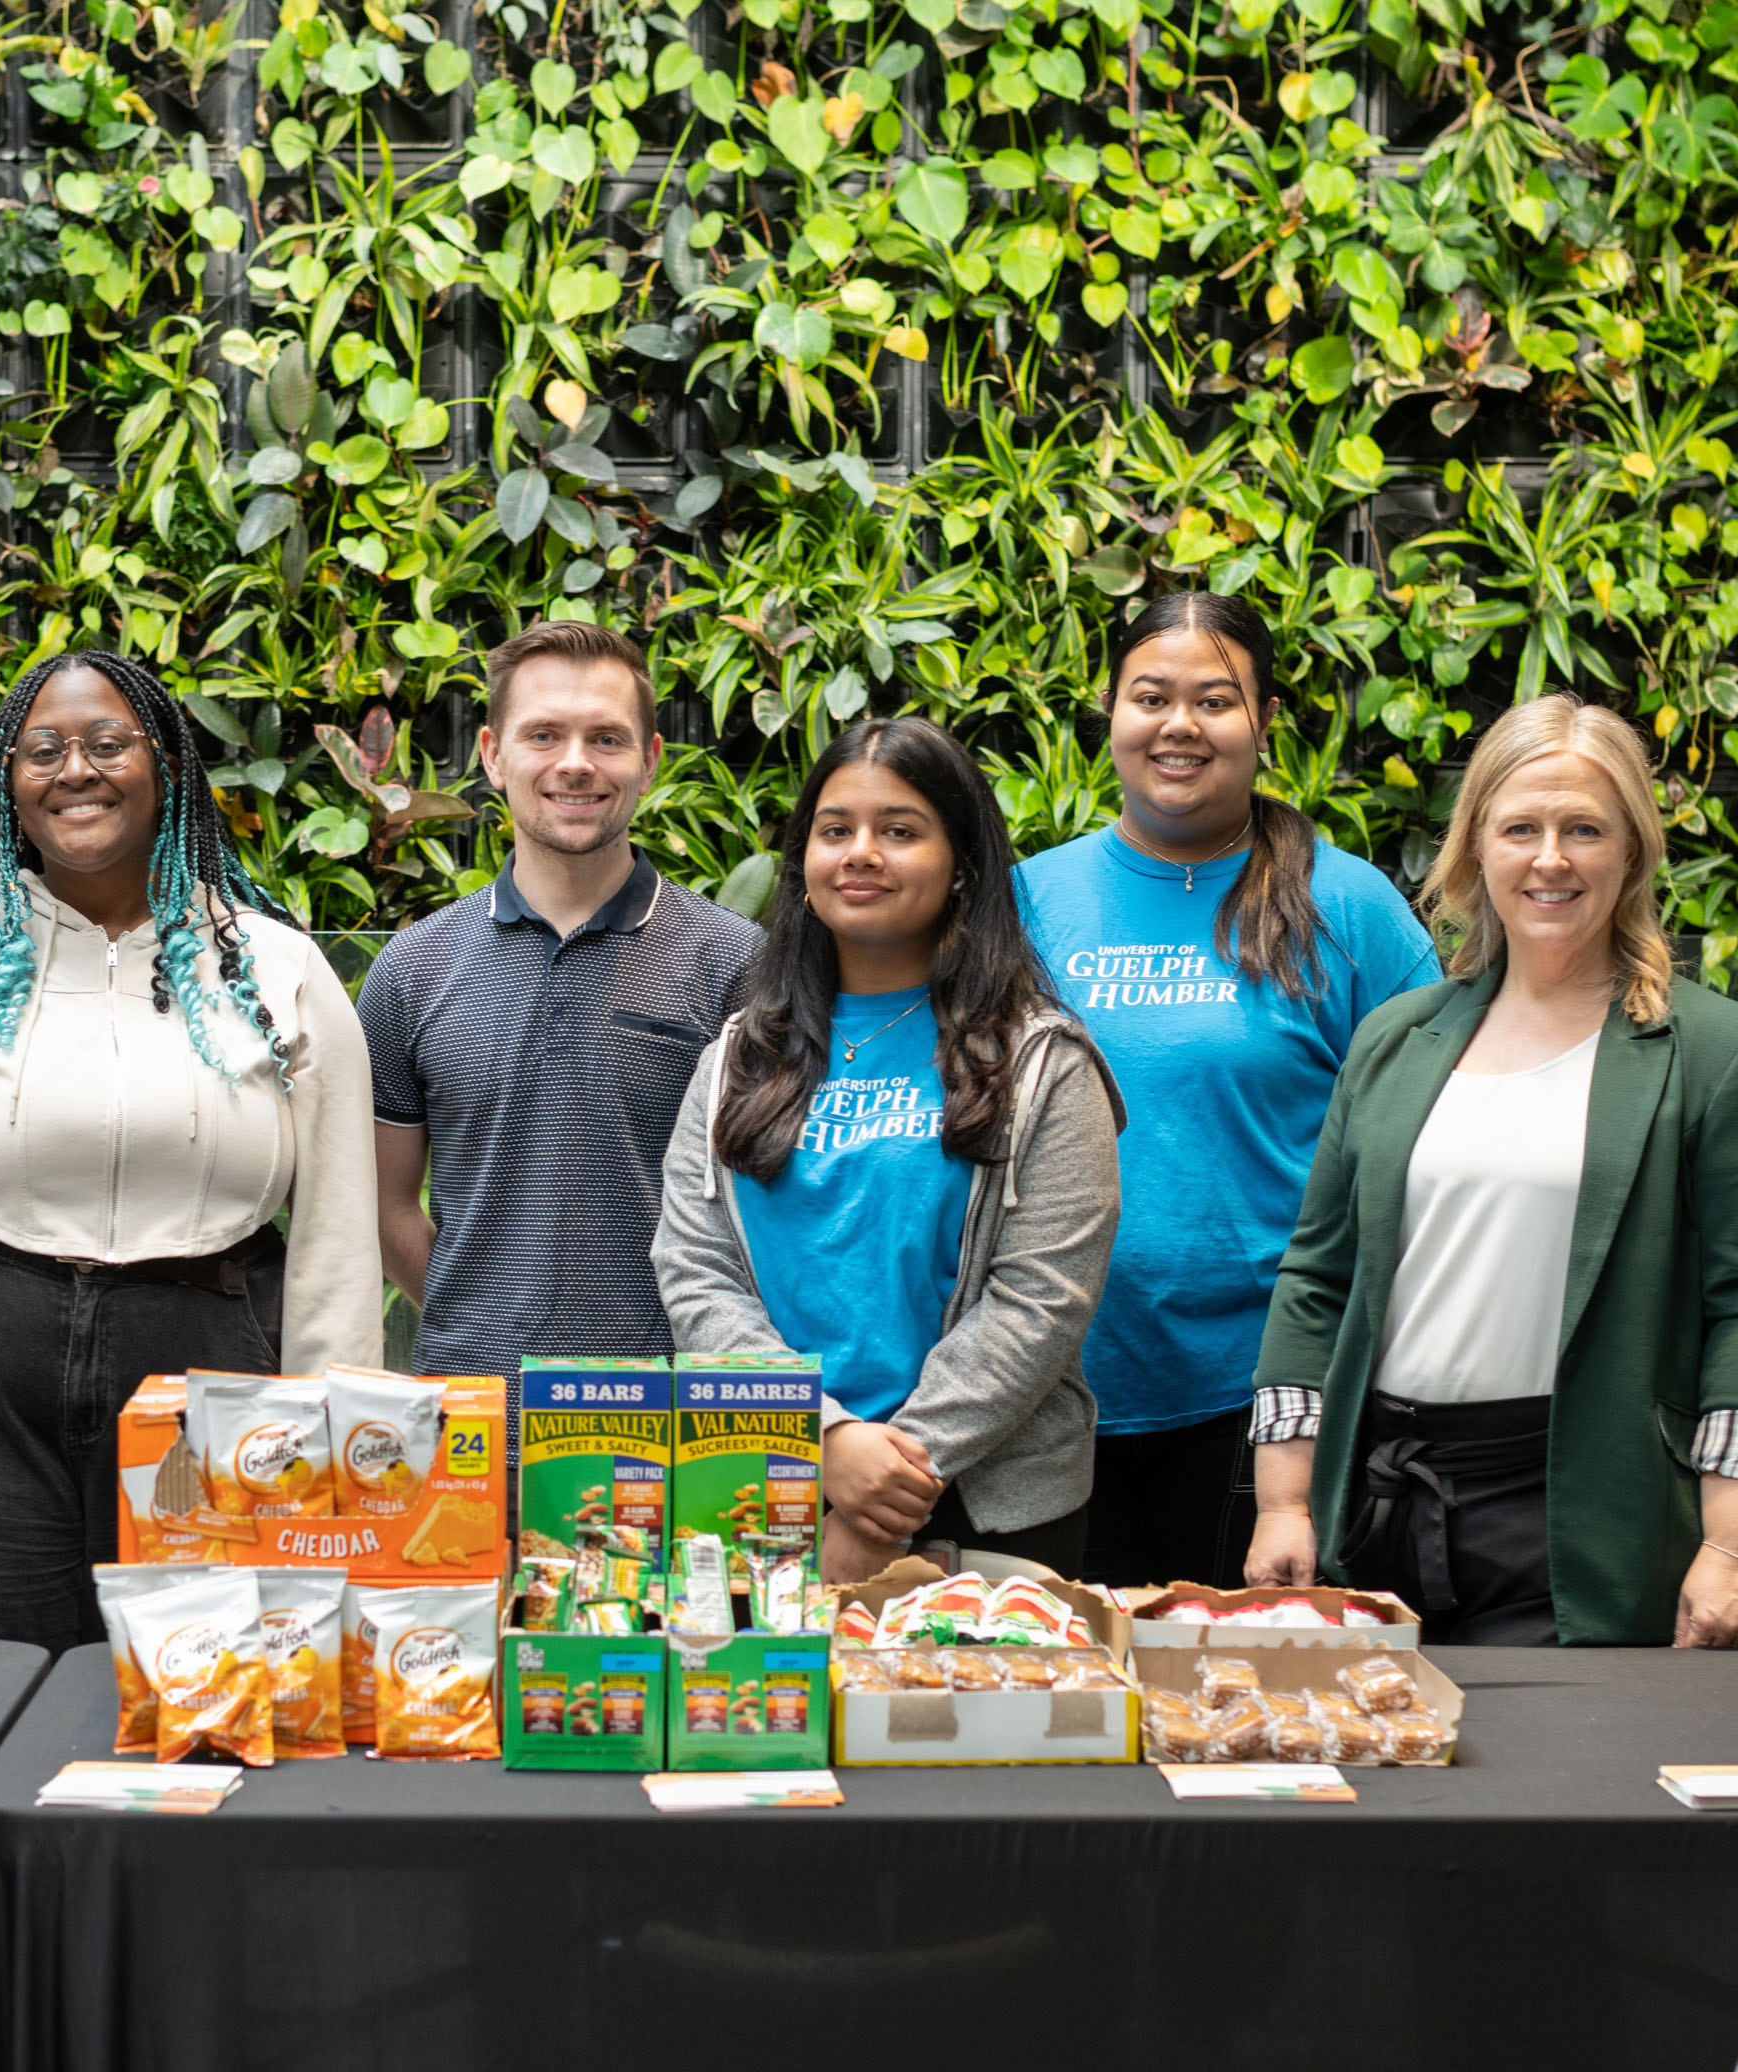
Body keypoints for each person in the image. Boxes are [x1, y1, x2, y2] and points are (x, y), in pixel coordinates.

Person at [0, 649, 382, 1647]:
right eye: (43, 751)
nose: (77, 770)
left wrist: (329, 1465)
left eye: (109, 744)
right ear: (6, 785)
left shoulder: (277, 966)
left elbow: (335, 1243)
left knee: (202, 1693)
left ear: (166, 768)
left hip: (210, 1385)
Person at [1244, 693, 1738, 1646]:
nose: (1550, 858)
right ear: (1475, 852)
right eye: (1521, 829)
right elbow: (1316, 1277)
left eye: (1583, 829)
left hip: (1581, 1512)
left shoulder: (1721, 1054)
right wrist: (1284, 1502)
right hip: (1377, 1504)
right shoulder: (1396, 1039)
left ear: (1631, 850)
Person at [1014, 591, 1440, 1587]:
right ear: (1109, 712)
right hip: (1058, 1395)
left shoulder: (1348, 905)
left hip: (1267, 1405)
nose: (1178, 726)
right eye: (1149, 696)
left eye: (1213, 701)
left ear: (1263, 722)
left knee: (1239, 1701)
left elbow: (1434, 1127)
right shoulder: (1029, 899)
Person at [653, 718, 1122, 1582]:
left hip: (988, 1513)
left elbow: (1042, 1300)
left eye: (899, 831)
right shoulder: (737, 1058)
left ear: (961, 867)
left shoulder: (1043, 1062)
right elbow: (695, 1268)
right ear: (803, 865)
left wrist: (893, 1481)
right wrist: (822, 1437)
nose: (860, 852)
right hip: (769, 1493)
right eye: (835, 830)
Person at [356, 621, 759, 1374]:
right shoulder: (412, 970)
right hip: (470, 1428)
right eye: (543, 734)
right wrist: (474, 1313)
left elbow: (771, 1219)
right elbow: (383, 1206)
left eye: (606, 739)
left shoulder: (736, 964)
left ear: (650, 759)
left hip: (669, 1430)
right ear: (492, 755)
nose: (575, 764)